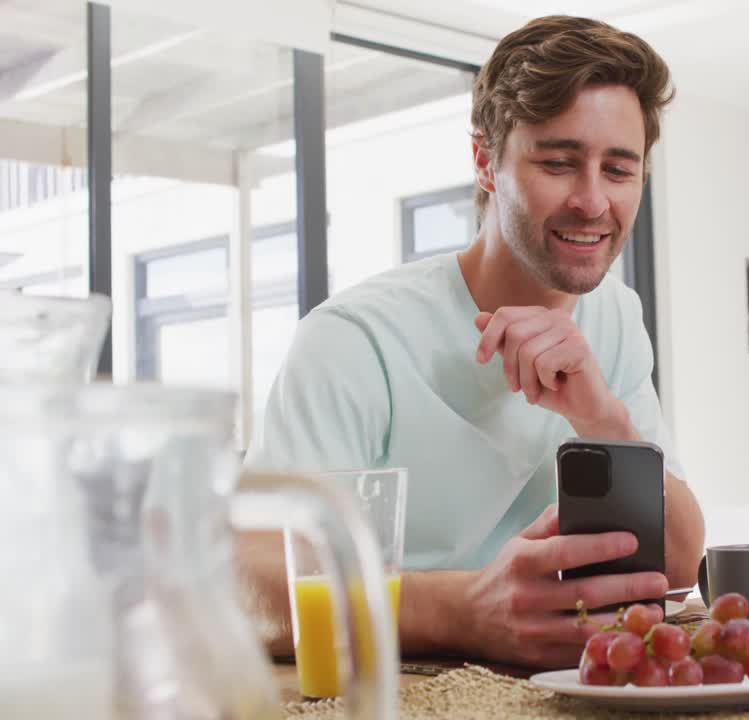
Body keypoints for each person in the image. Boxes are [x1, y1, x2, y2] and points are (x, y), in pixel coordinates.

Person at [240, 15, 704, 668]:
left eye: (619, 170)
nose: (594, 201)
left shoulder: (616, 318)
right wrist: (462, 610)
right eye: (559, 163)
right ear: (486, 160)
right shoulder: (353, 341)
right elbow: (251, 589)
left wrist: (604, 421)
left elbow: (677, 564)